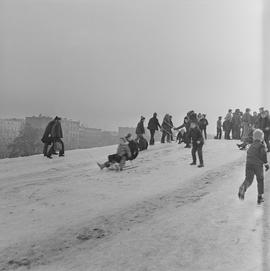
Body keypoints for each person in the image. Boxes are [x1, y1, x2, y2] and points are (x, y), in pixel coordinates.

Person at [238, 129, 269, 204]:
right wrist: (266, 164)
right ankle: (260, 197)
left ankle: (243, 187)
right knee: (260, 180)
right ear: (261, 137)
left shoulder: (251, 146)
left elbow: (248, 153)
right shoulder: (261, 146)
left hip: (249, 164)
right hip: (258, 165)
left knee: (249, 179)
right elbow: (263, 155)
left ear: (254, 137)